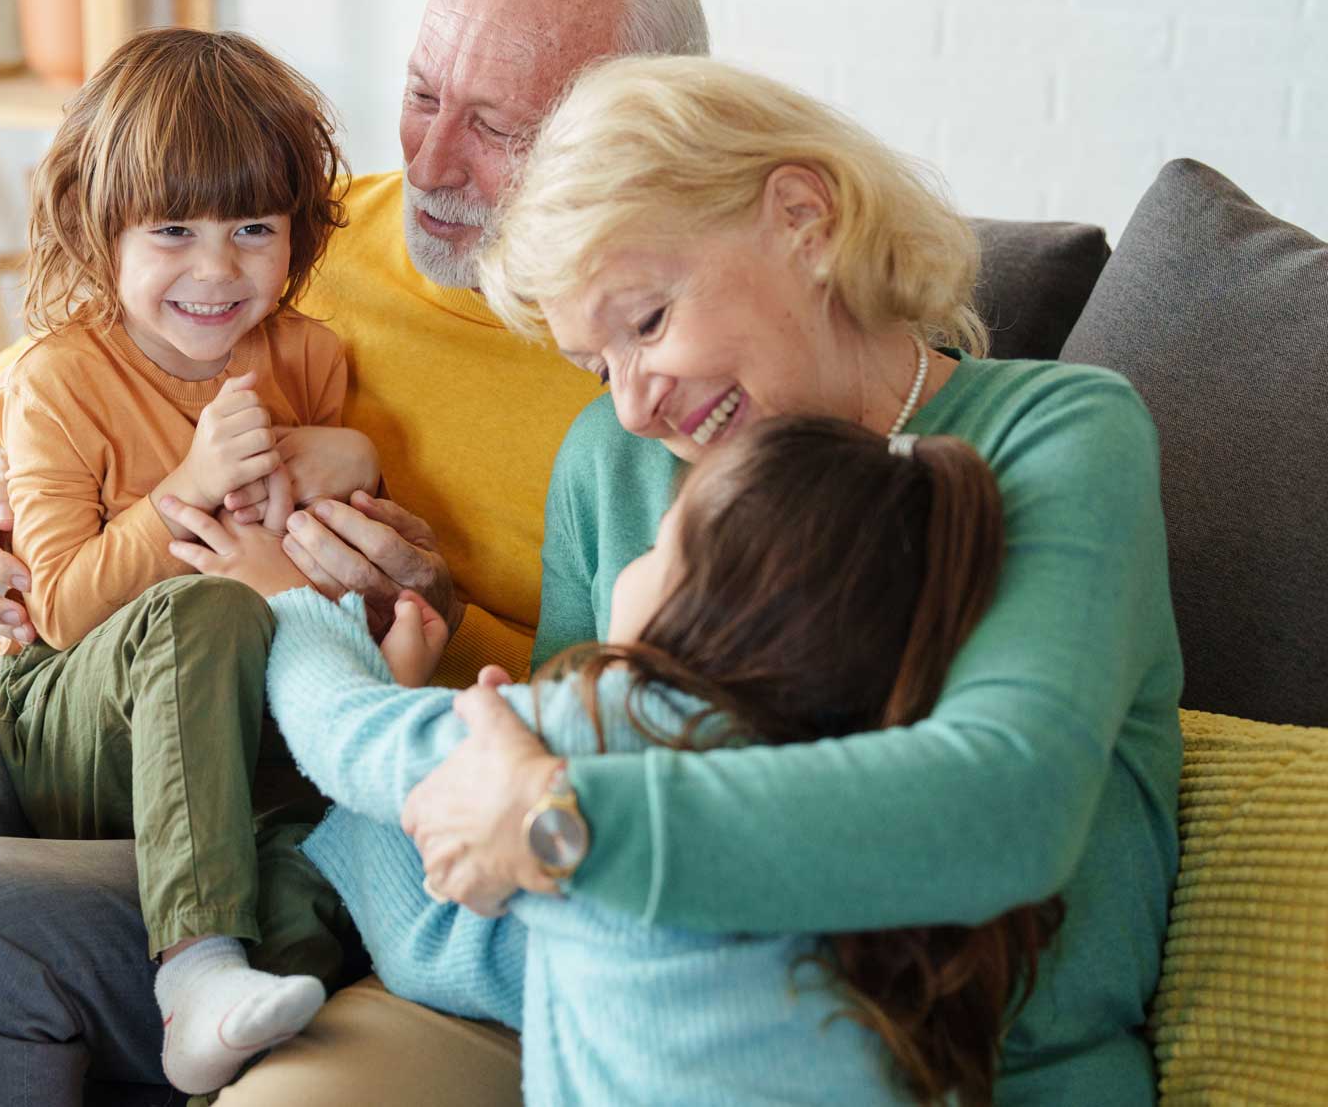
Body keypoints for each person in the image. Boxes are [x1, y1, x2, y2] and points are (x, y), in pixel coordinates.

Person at [0, 0, 709, 1107]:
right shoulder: (309, 232)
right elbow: (76, 343)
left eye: (492, 127)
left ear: (628, 133)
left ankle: (202, 967)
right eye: (423, 94)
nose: (431, 163)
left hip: (357, 767)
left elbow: (636, 714)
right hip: (136, 674)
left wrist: (424, 615)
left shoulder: (649, 361)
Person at [377, 56, 1182, 1102]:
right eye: (597, 365)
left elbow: (1003, 807)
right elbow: (543, 784)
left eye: (647, 321)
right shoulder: (613, 466)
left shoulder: (1058, 436)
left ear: (804, 219)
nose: (633, 405)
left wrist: (562, 821)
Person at [162, 414, 1058, 1106]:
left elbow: (348, 732)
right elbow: (490, 953)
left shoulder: (618, 721)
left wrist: (291, 603)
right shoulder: (854, 797)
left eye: (663, 543)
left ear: (721, 605)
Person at [0, 27, 397, 1093]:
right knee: (208, 610)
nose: (217, 270)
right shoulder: (57, 380)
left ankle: (241, 1044)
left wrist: (345, 459)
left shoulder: (308, 358)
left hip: (241, 731)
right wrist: (189, 485)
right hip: (81, 721)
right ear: (97, 226)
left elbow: (310, 564)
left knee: (313, 870)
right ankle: (195, 966)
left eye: (254, 228)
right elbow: (61, 607)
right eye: (172, 230)